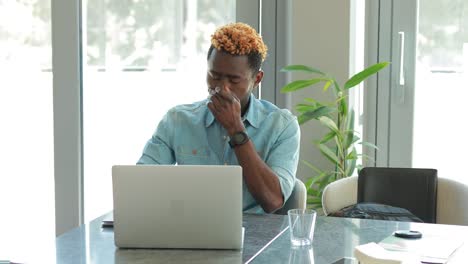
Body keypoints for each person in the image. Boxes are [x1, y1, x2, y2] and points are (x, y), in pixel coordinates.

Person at [137, 22, 300, 213]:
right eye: (214, 76)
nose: (222, 88)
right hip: (189, 230)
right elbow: (141, 185)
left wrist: (236, 131)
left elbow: (273, 200)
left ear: (257, 79)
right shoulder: (178, 120)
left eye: (233, 80)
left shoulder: (281, 126)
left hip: (255, 237)